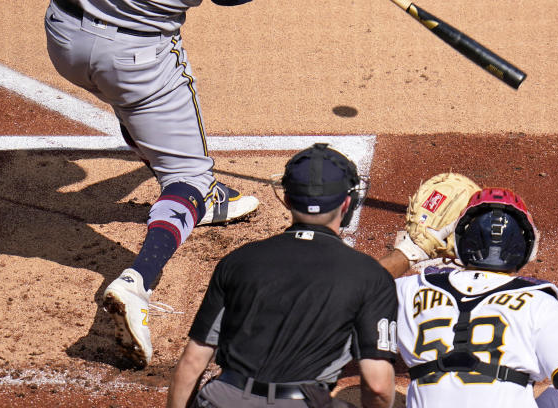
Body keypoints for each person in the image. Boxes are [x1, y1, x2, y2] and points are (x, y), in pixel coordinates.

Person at [45, 0, 342, 367]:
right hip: (133, 61)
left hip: (62, 36)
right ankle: (138, 278)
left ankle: (192, 194)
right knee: (188, 176)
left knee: (131, 104)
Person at [166, 143, 397, 408]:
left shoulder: (238, 261)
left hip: (223, 399)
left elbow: (192, 363)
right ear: (348, 203)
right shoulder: (370, 275)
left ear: (286, 199)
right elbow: (378, 387)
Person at [378, 186, 558, 408]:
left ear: (462, 242)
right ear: (524, 246)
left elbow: (354, 286)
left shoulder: (412, 289)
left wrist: (411, 251)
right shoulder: (540, 304)